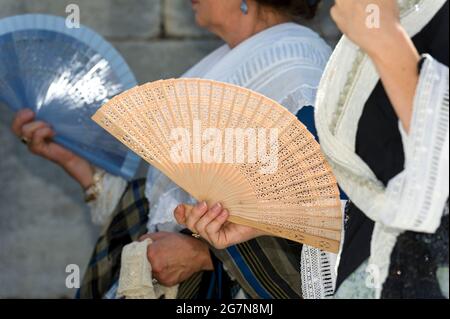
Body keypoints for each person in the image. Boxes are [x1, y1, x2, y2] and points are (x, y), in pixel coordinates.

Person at [12, 0, 334, 299]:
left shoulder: (297, 77)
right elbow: (163, 212)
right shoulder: (223, 63)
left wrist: (205, 256)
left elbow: (322, 227)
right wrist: (75, 163)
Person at [185, 0, 449, 299]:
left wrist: (384, 40)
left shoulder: (387, 24)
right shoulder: (388, 17)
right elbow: (377, 190)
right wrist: (272, 218)